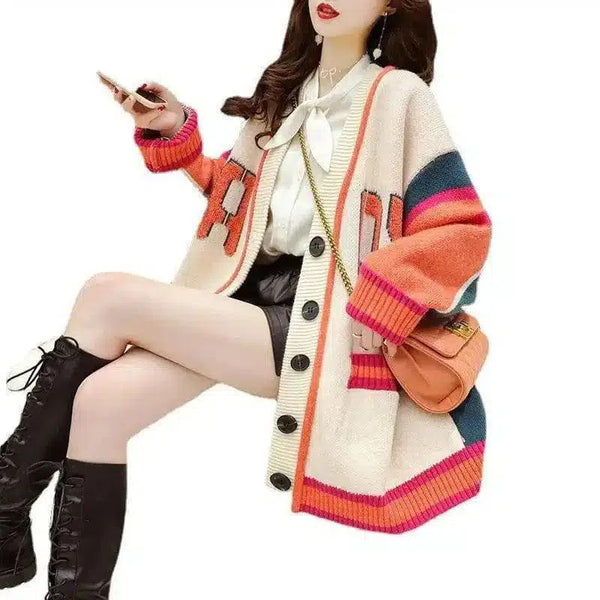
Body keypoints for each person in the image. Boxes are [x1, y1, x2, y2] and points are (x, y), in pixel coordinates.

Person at [0, 1, 492, 597]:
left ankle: (2, 517)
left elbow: (461, 228)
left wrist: (389, 295)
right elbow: (240, 200)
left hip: (319, 322)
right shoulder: (284, 93)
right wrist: (177, 137)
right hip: (241, 298)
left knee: (106, 296)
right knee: (100, 405)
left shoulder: (399, 98)